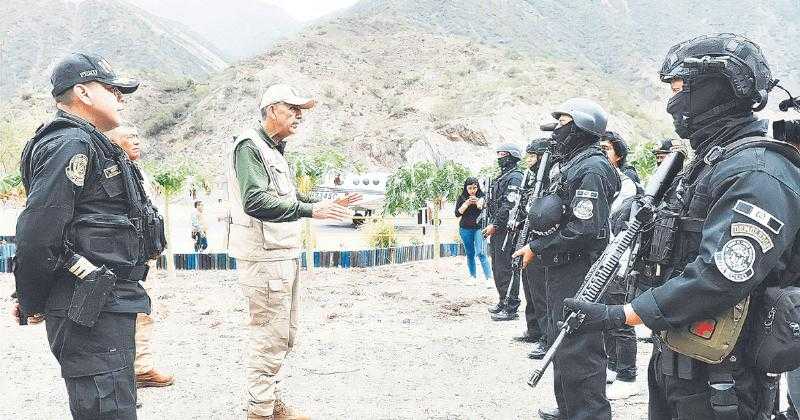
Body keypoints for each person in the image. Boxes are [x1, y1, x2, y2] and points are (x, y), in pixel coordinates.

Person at [562, 33, 800, 419]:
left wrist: (623, 314)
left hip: (724, 378)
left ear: (718, 89)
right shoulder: (709, 165)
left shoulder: (757, 172)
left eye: (680, 88)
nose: (673, 103)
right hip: (680, 360)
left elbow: (723, 274)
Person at [12, 52, 165, 419]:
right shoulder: (70, 145)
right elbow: (38, 231)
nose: (120, 97)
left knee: (114, 404)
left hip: (109, 302)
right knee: (105, 410)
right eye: (111, 89)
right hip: (90, 307)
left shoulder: (91, 143)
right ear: (82, 91)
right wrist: (32, 299)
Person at [227, 83, 361, 420]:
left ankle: (271, 404)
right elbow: (255, 201)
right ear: (272, 110)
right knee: (268, 336)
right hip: (264, 257)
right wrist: (311, 211)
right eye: (293, 108)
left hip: (281, 253)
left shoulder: (273, 149)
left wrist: (321, 204)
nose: (299, 115)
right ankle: (259, 412)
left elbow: (286, 200)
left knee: (282, 335)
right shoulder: (250, 146)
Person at [513, 98, 619, 420]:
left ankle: (589, 413)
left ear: (582, 126)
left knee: (580, 344)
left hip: (581, 268)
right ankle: (571, 408)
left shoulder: (592, 167)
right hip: (565, 266)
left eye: (563, 123)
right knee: (564, 340)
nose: (557, 130)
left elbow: (585, 229)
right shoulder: (575, 164)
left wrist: (539, 248)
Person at [105, 124, 174, 389]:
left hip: (144, 254)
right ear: (113, 141)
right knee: (124, 316)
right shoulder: (111, 172)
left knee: (144, 312)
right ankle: (122, 380)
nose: (136, 141)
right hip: (124, 258)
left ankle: (141, 368)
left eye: (137, 135)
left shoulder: (136, 171)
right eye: (129, 137)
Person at [599, 131, 640, 399]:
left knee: (621, 316)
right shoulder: (605, 180)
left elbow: (614, 221)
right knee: (605, 314)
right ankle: (613, 366)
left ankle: (628, 373)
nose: (602, 153)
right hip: (603, 259)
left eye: (607, 149)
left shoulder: (626, 185)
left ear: (619, 155)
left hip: (619, 259)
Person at [512, 138, 551, 359]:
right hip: (528, 237)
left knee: (541, 292)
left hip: (541, 242)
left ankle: (547, 337)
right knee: (530, 289)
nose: (528, 160)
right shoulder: (534, 180)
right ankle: (535, 329)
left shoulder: (550, 179)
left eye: (532, 155)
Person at [482, 144, 524, 321]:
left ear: (512, 156)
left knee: (507, 268)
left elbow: (509, 206)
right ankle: (502, 301)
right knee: (498, 268)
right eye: (498, 154)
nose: (499, 157)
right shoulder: (503, 176)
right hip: (498, 229)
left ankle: (511, 307)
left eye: (503, 154)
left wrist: (495, 225)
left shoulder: (515, 177)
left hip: (507, 230)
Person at [454, 177, 492, 285]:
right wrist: (466, 204)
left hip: (479, 228)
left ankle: (489, 278)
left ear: (478, 187)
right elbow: (457, 214)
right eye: (470, 188)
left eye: (474, 188)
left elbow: (486, 209)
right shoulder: (461, 198)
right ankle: (472, 276)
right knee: (470, 253)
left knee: (481, 252)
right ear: (466, 188)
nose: (472, 191)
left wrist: (478, 203)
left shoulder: (482, 196)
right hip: (465, 229)